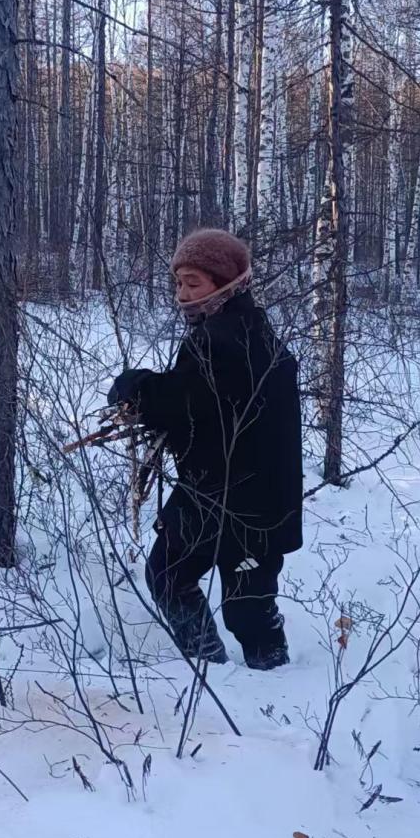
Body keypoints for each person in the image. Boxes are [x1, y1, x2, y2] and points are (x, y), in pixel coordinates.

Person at [108, 228, 303, 670]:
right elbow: (204, 401)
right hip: (244, 500)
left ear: (226, 282)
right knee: (241, 602)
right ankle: (237, 671)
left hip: (234, 499)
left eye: (193, 283)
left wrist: (134, 388)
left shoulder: (223, 339)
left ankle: (223, 673)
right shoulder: (250, 329)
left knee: (177, 579)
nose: (182, 294)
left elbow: (184, 404)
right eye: (178, 282)